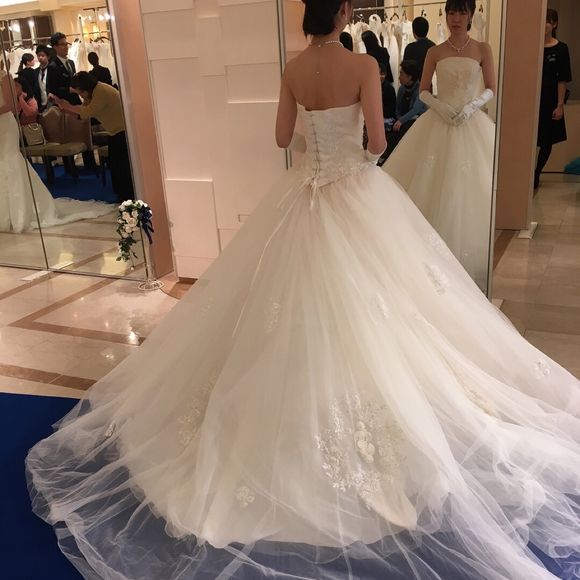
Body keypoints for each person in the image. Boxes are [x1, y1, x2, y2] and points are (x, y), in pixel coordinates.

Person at [26, 1, 580, 579]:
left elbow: (281, 137)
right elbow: (375, 143)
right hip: (355, 192)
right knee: (386, 305)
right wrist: (353, 149)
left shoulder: (292, 68)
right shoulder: (362, 66)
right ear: (342, 13)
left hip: (305, 192)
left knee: (283, 304)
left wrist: (317, 146)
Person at [383, 0, 496, 287]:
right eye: (451, 12)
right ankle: (430, 257)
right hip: (439, 120)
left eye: (461, 12)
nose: (455, 18)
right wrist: (440, 106)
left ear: (471, 15)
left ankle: (464, 259)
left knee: (468, 189)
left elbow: (491, 88)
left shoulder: (482, 49)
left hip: (470, 122)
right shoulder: (435, 51)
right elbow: (422, 91)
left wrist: (472, 106)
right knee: (433, 184)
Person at [0, 70, 112, 233]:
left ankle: (18, 211)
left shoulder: (4, 76)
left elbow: (11, 104)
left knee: (10, 159)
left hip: (5, 125)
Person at [51, 72, 135, 202]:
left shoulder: (101, 91)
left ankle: (127, 195)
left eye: (80, 92)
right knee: (115, 165)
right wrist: (65, 107)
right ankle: (122, 194)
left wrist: (67, 106)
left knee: (121, 166)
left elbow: (87, 112)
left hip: (123, 131)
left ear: (85, 88)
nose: (80, 96)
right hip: (115, 131)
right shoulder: (93, 93)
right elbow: (82, 111)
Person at [534, 8, 572, 190]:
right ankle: (527, 172)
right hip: (533, 98)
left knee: (547, 140)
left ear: (554, 24)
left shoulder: (561, 48)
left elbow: (562, 79)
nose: (544, 25)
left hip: (551, 99)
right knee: (531, 137)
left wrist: (560, 105)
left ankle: (536, 173)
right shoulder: (533, 46)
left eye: (548, 21)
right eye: (542, 20)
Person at [379, 59, 426, 164]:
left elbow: (416, 109)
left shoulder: (420, 89)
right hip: (403, 119)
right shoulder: (401, 89)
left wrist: (401, 121)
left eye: (401, 73)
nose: (399, 76)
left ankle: (397, 159)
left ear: (410, 77)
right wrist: (399, 119)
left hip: (417, 118)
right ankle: (387, 157)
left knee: (403, 129)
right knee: (392, 129)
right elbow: (398, 108)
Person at [46, 32, 81, 106]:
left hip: (76, 101)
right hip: (64, 104)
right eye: (62, 44)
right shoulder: (53, 66)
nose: (66, 47)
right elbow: (53, 89)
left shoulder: (71, 62)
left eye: (66, 44)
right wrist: (69, 90)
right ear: (55, 47)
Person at [33, 45, 51, 113]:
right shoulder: (35, 72)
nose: (40, 58)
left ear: (48, 57)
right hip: (41, 105)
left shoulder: (53, 70)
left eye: (43, 55)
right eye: (38, 56)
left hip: (53, 104)